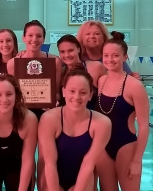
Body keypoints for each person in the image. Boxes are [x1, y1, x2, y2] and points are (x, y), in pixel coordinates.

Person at [38, 67, 111, 191]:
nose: (77, 97)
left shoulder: (102, 123)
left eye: (83, 93)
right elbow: (50, 163)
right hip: (52, 177)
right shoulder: (49, 119)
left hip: (83, 179)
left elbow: (88, 164)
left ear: (90, 95)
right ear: (64, 92)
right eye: (72, 91)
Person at [95, 31, 149, 191]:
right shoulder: (101, 81)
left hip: (126, 146)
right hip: (103, 146)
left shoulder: (135, 86)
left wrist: (137, 160)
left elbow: (144, 126)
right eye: (106, 55)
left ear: (125, 57)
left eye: (115, 55)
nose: (110, 59)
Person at [7, 20, 62, 120]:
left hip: (47, 114)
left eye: (39, 36)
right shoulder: (12, 64)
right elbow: (12, 93)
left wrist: (54, 102)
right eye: (30, 35)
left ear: (44, 39)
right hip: (22, 114)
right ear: (23, 38)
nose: (34, 39)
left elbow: (57, 93)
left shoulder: (55, 62)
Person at [57, 34, 106, 109]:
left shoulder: (95, 67)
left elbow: (109, 95)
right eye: (62, 52)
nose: (66, 55)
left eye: (70, 50)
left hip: (92, 117)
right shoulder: (61, 72)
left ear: (78, 49)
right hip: (67, 118)